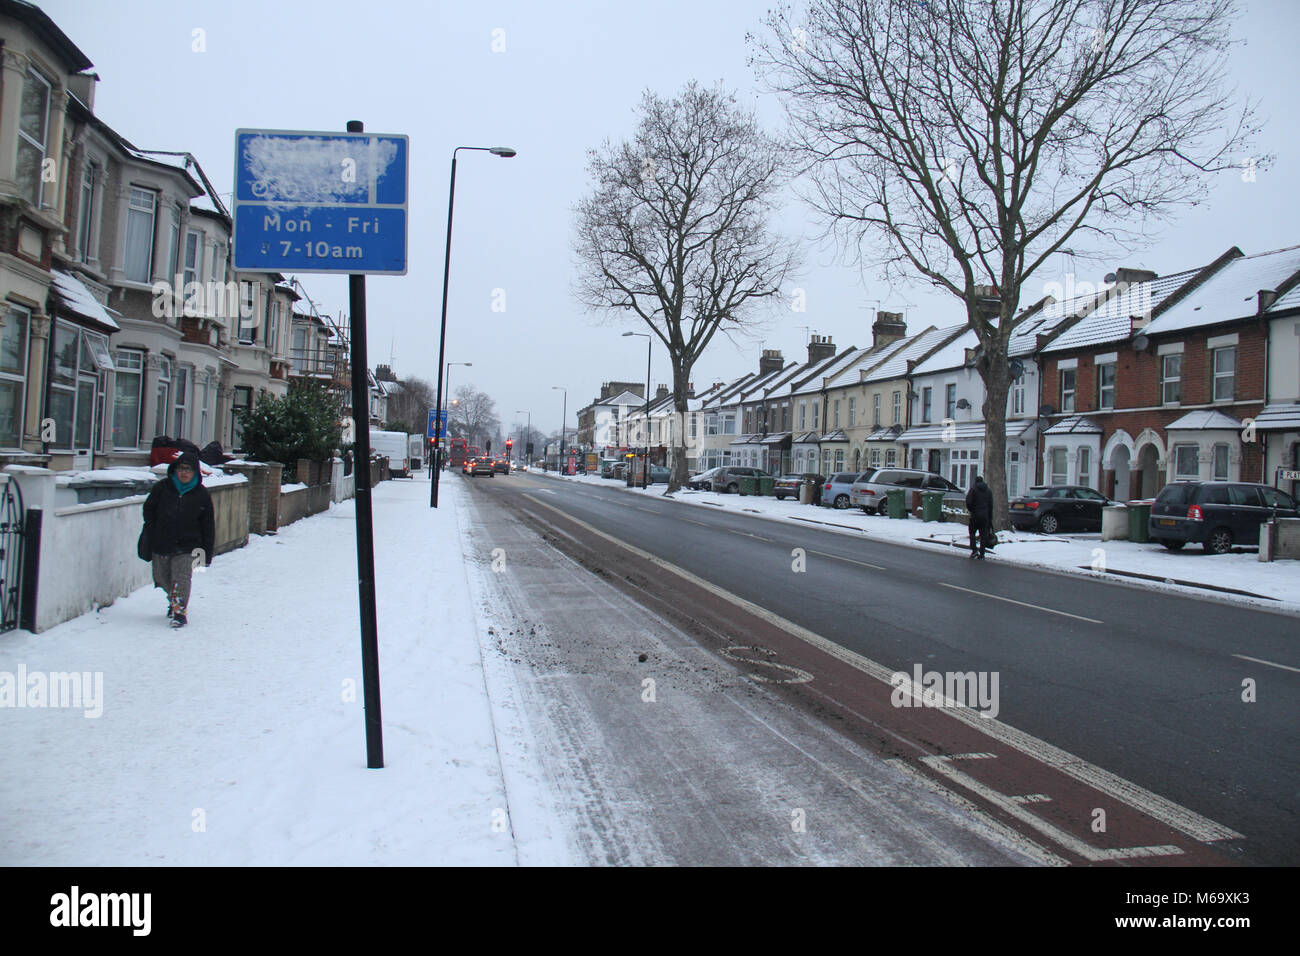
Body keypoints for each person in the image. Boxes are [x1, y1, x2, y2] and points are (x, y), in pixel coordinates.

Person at [142, 449, 215, 627]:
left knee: (181, 578)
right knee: (162, 577)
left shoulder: (201, 494)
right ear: (175, 470)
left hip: (188, 545)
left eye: (188, 470)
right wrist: (155, 527)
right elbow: (148, 509)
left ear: (195, 472)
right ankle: (174, 601)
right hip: (162, 541)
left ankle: (180, 613)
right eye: (181, 469)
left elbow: (207, 524)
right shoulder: (162, 488)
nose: (184, 473)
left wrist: (206, 552)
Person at [965, 474, 995, 559]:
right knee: (983, 535)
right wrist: (990, 518)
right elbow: (990, 505)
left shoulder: (973, 489)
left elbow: (968, 502)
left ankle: (974, 550)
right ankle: (982, 553)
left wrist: (972, 510)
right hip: (985, 516)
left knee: (972, 533)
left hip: (975, 515)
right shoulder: (988, 491)